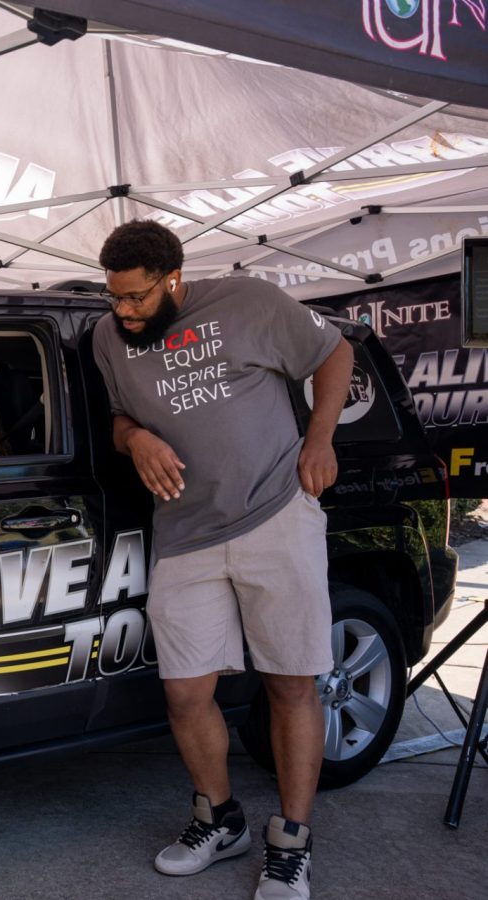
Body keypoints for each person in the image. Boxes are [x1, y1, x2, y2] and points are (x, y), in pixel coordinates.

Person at [90, 219, 353, 900]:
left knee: (292, 682)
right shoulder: (107, 338)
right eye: (114, 298)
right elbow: (117, 417)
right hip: (185, 531)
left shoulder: (248, 302)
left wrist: (319, 440)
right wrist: (136, 438)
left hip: (275, 512)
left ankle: (291, 841)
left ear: (173, 279)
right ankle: (219, 816)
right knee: (185, 690)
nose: (124, 312)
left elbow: (334, 355)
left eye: (138, 299)